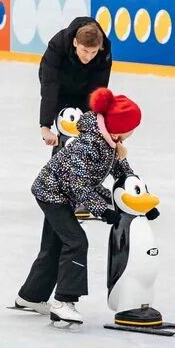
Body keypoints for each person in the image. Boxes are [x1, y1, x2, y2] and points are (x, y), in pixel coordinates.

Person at [14, 88, 145, 324]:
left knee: (54, 245)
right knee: (76, 241)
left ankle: (31, 296)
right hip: (52, 193)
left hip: (64, 193)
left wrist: (135, 192)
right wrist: (103, 210)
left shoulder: (109, 141)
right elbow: (78, 185)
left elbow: (120, 174)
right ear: (120, 127)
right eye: (133, 127)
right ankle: (64, 301)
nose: (134, 131)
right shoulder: (88, 145)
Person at [38, 18, 112, 153]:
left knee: (88, 134)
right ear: (75, 42)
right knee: (68, 130)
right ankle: (56, 172)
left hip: (85, 90)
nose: (88, 57)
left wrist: (97, 122)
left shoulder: (104, 52)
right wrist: (45, 126)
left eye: (93, 52)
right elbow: (50, 86)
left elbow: (98, 90)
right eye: (84, 50)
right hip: (60, 89)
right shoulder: (57, 45)